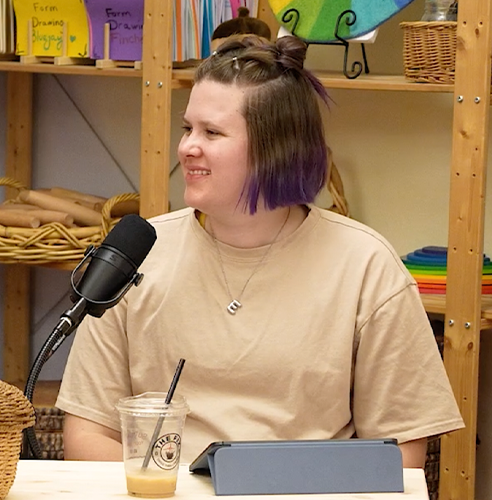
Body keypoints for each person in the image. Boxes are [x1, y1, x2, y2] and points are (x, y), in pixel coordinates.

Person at [57, 34, 463, 468]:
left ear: (277, 149)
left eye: (212, 132)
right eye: (187, 128)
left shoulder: (365, 266)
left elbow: (400, 451)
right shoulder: (135, 255)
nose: (187, 147)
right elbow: (88, 432)